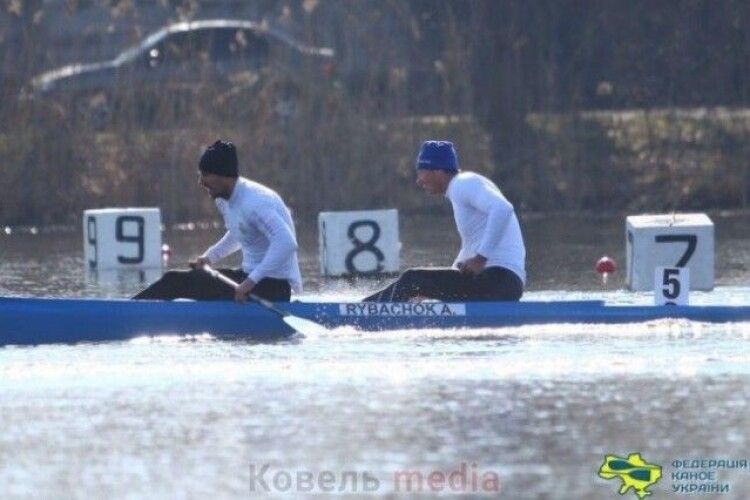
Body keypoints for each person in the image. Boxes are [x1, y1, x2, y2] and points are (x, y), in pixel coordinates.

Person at [133, 140, 302, 302]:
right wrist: (209, 257)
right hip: (250, 279)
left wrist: (250, 282)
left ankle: (123, 312)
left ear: (223, 176)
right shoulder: (225, 199)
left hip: (273, 288)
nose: (200, 181)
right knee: (179, 279)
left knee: (174, 281)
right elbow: (239, 233)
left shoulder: (255, 202)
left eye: (205, 174)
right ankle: (128, 309)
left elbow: (287, 243)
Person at [362, 140, 525, 302]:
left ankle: (359, 313)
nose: (419, 180)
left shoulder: (463, 183)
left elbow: (503, 209)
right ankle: (367, 310)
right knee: (415, 284)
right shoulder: (463, 188)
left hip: (499, 280)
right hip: (502, 284)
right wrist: (431, 289)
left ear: (438, 171)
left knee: (412, 279)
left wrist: (480, 259)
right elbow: (468, 251)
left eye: (421, 172)